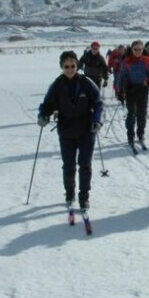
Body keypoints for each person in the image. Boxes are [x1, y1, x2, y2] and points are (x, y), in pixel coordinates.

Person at [37, 50, 104, 210]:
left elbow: (98, 103)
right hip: (66, 130)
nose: (70, 69)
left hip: (86, 129)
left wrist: (97, 120)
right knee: (68, 165)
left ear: (77, 66)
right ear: (61, 67)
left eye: (73, 66)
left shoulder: (86, 83)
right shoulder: (57, 85)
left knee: (85, 165)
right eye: (66, 66)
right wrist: (43, 115)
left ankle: (84, 196)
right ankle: (69, 193)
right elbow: (47, 104)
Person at [118, 40, 149, 150]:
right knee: (131, 114)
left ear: (143, 49)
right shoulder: (127, 61)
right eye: (135, 49)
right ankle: (130, 136)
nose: (138, 51)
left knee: (142, 114)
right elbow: (121, 76)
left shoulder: (146, 60)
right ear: (132, 49)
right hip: (131, 90)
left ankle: (140, 134)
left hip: (143, 89)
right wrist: (120, 91)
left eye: (140, 49)